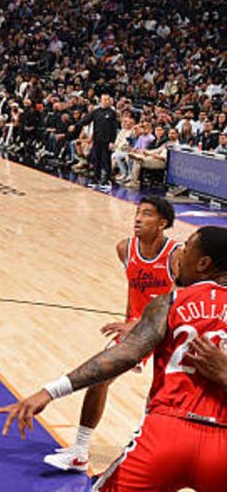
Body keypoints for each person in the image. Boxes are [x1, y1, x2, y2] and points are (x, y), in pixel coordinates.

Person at [0, 226, 227, 492]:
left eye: (187, 247)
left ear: (204, 263)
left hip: (167, 433)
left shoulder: (171, 301)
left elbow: (124, 354)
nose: (180, 254)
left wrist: (49, 392)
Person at [44, 196, 181, 471]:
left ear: (162, 223)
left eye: (147, 214)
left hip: (171, 329)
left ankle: (160, 455)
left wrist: (142, 323)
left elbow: (180, 298)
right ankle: (80, 451)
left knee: (164, 399)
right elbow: (133, 290)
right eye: (137, 213)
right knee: (99, 379)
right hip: (138, 329)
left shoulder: (176, 254)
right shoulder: (125, 248)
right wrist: (130, 320)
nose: (138, 219)